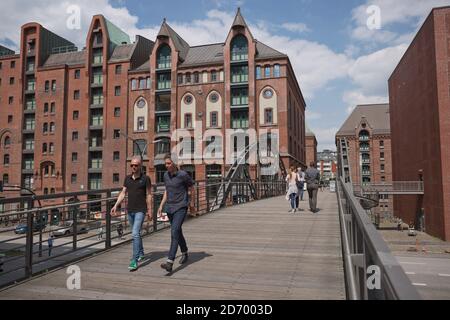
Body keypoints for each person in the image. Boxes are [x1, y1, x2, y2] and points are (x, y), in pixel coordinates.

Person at [111, 156, 152, 271]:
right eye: (132, 165)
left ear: (140, 166)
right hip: (130, 210)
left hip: (141, 210)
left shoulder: (146, 179)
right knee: (137, 233)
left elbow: (149, 195)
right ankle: (142, 252)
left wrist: (150, 210)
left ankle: (134, 260)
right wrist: (115, 205)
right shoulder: (127, 178)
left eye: (136, 165)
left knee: (134, 234)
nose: (133, 167)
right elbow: (123, 193)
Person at [158, 154, 195, 273]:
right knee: (177, 231)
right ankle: (184, 252)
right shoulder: (165, 175)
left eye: (168, 163)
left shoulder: (183, 175)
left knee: (174, 231)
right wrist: (161, 205)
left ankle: (170, 262)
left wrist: (191, 204)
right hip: (169, 208)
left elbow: (191, 188)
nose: (166, 166)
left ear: (174, 163)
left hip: (181, 207)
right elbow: (167, 191)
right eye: (165, 164)